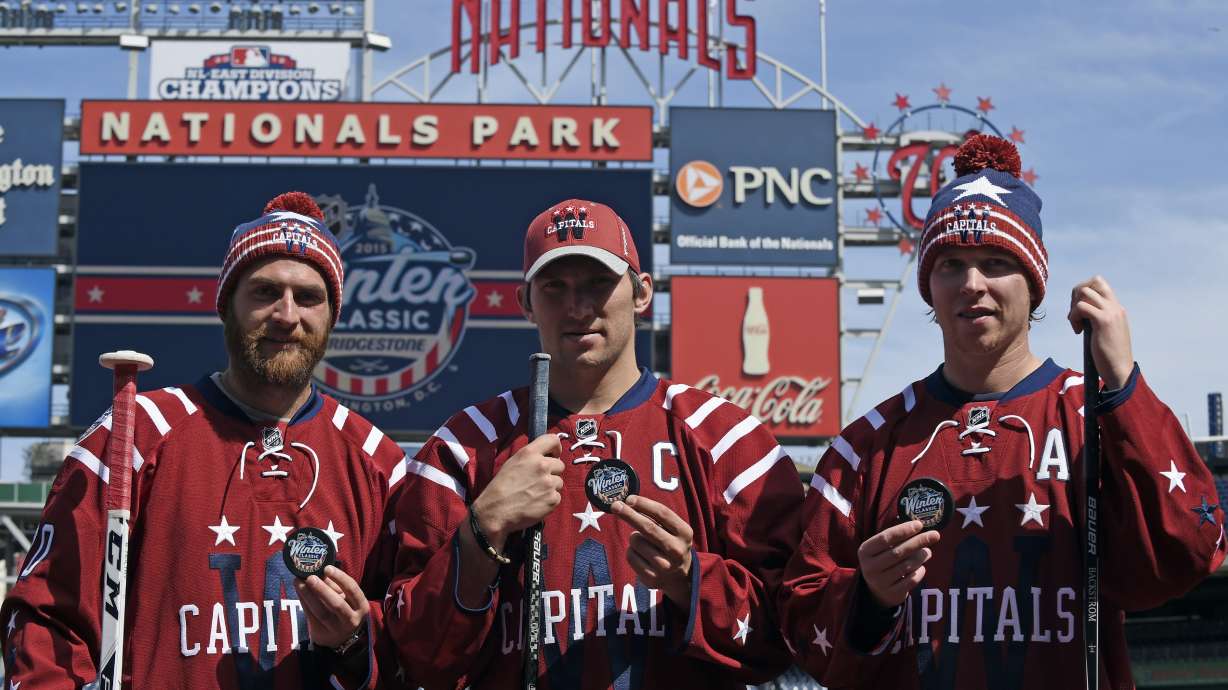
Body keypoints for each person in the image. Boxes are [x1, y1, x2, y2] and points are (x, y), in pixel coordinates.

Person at [778, 135, 1226, 690]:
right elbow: (800, 622)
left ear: (1034, 284)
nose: (972, 284)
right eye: (951, 265)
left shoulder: (1098, 414)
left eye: (995, 262)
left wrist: (1123, 383)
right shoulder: (865, 447)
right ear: (929, 286)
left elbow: (1191, 551)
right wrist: (869, 599)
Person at [384, 199, 804, 688]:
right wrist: (484, 528)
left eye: (598, 284)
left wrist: (689, 579)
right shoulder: (464, 445)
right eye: (554, 287)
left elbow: (791, 636)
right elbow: (415, 654)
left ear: (642, 292)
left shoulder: (726, 438)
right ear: (525, 301)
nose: (577, 308)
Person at [1, 193, 412, 688]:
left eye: (308, 297)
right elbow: (44, 617)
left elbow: (412, 650)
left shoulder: (380, 463)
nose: (286, 314)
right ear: (226, 306)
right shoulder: (134, 434)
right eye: (264, 292)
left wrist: (353, 644)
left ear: (331, 315)